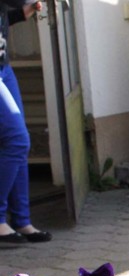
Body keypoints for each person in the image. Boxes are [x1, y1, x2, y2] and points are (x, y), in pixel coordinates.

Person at [0, 0, 51, 246]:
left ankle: (21, 220)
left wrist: (22, 13)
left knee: (17, 143)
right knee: (18, 140)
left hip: (3, 67)